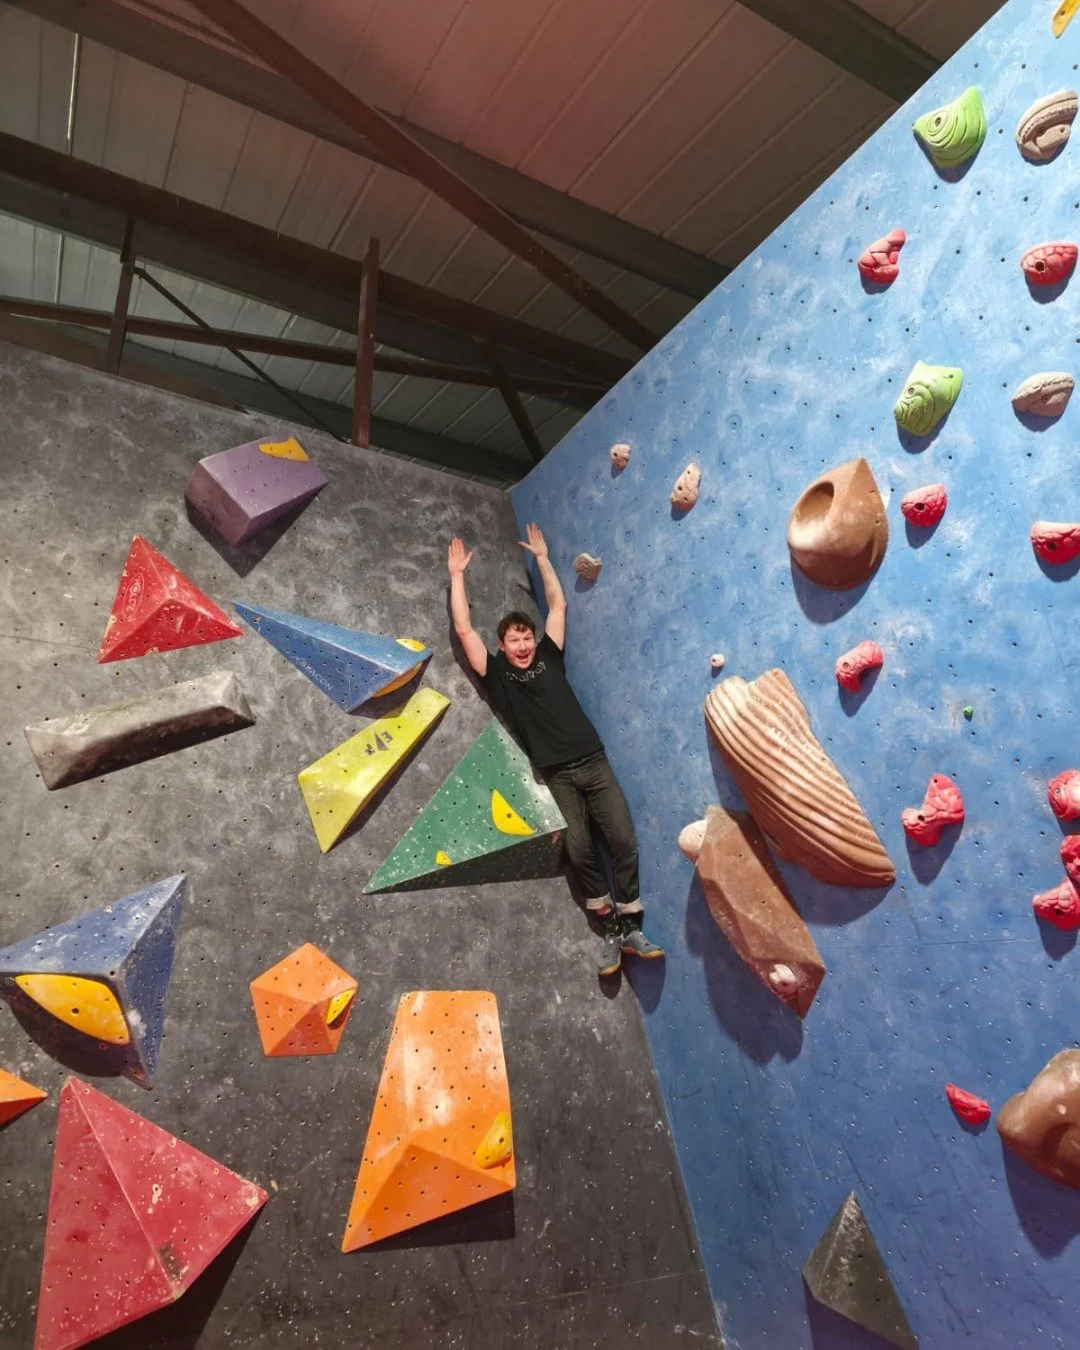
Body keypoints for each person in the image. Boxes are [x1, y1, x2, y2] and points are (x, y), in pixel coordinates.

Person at [447, 525, 664, 977]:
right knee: (579, 848)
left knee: (622, 838)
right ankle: (608, 932)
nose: (524, 645)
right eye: (515, 641)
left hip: (593, 761)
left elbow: (559, 605)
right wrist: (456, 577)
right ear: (503, 647)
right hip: (558, 775)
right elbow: (465, 629)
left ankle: (633, 927)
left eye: (527, 637)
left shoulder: (549, 654)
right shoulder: (497, 676)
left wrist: (543, 559)